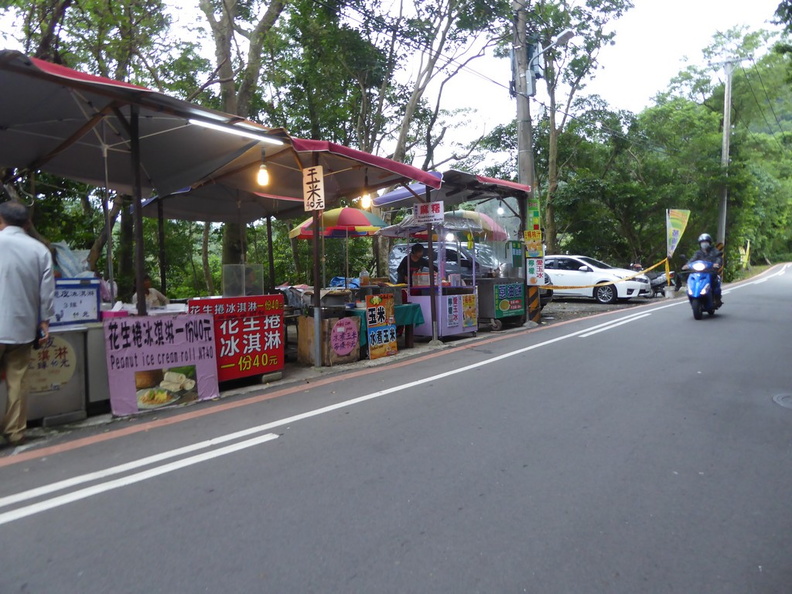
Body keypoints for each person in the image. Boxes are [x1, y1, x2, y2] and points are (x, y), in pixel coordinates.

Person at [0, 202, 55, 447]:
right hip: (22, 328)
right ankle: (15, 432)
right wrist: (44, 321)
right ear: (26, 223)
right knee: (17, 382)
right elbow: (47, 292)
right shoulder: (39, 250)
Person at [685, 232, 724, 306]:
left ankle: (716, 299)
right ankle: (693, 292)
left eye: (705, 242)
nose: (704, 244)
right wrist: (687, 265)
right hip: (699, 272)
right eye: (702, 242)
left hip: (710, 272)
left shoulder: (715, 251)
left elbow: (719, 258)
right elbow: (692, 259)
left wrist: (716, 264)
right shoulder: (698, 253)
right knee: (691, 277)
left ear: (709, 243)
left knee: (715, 282)